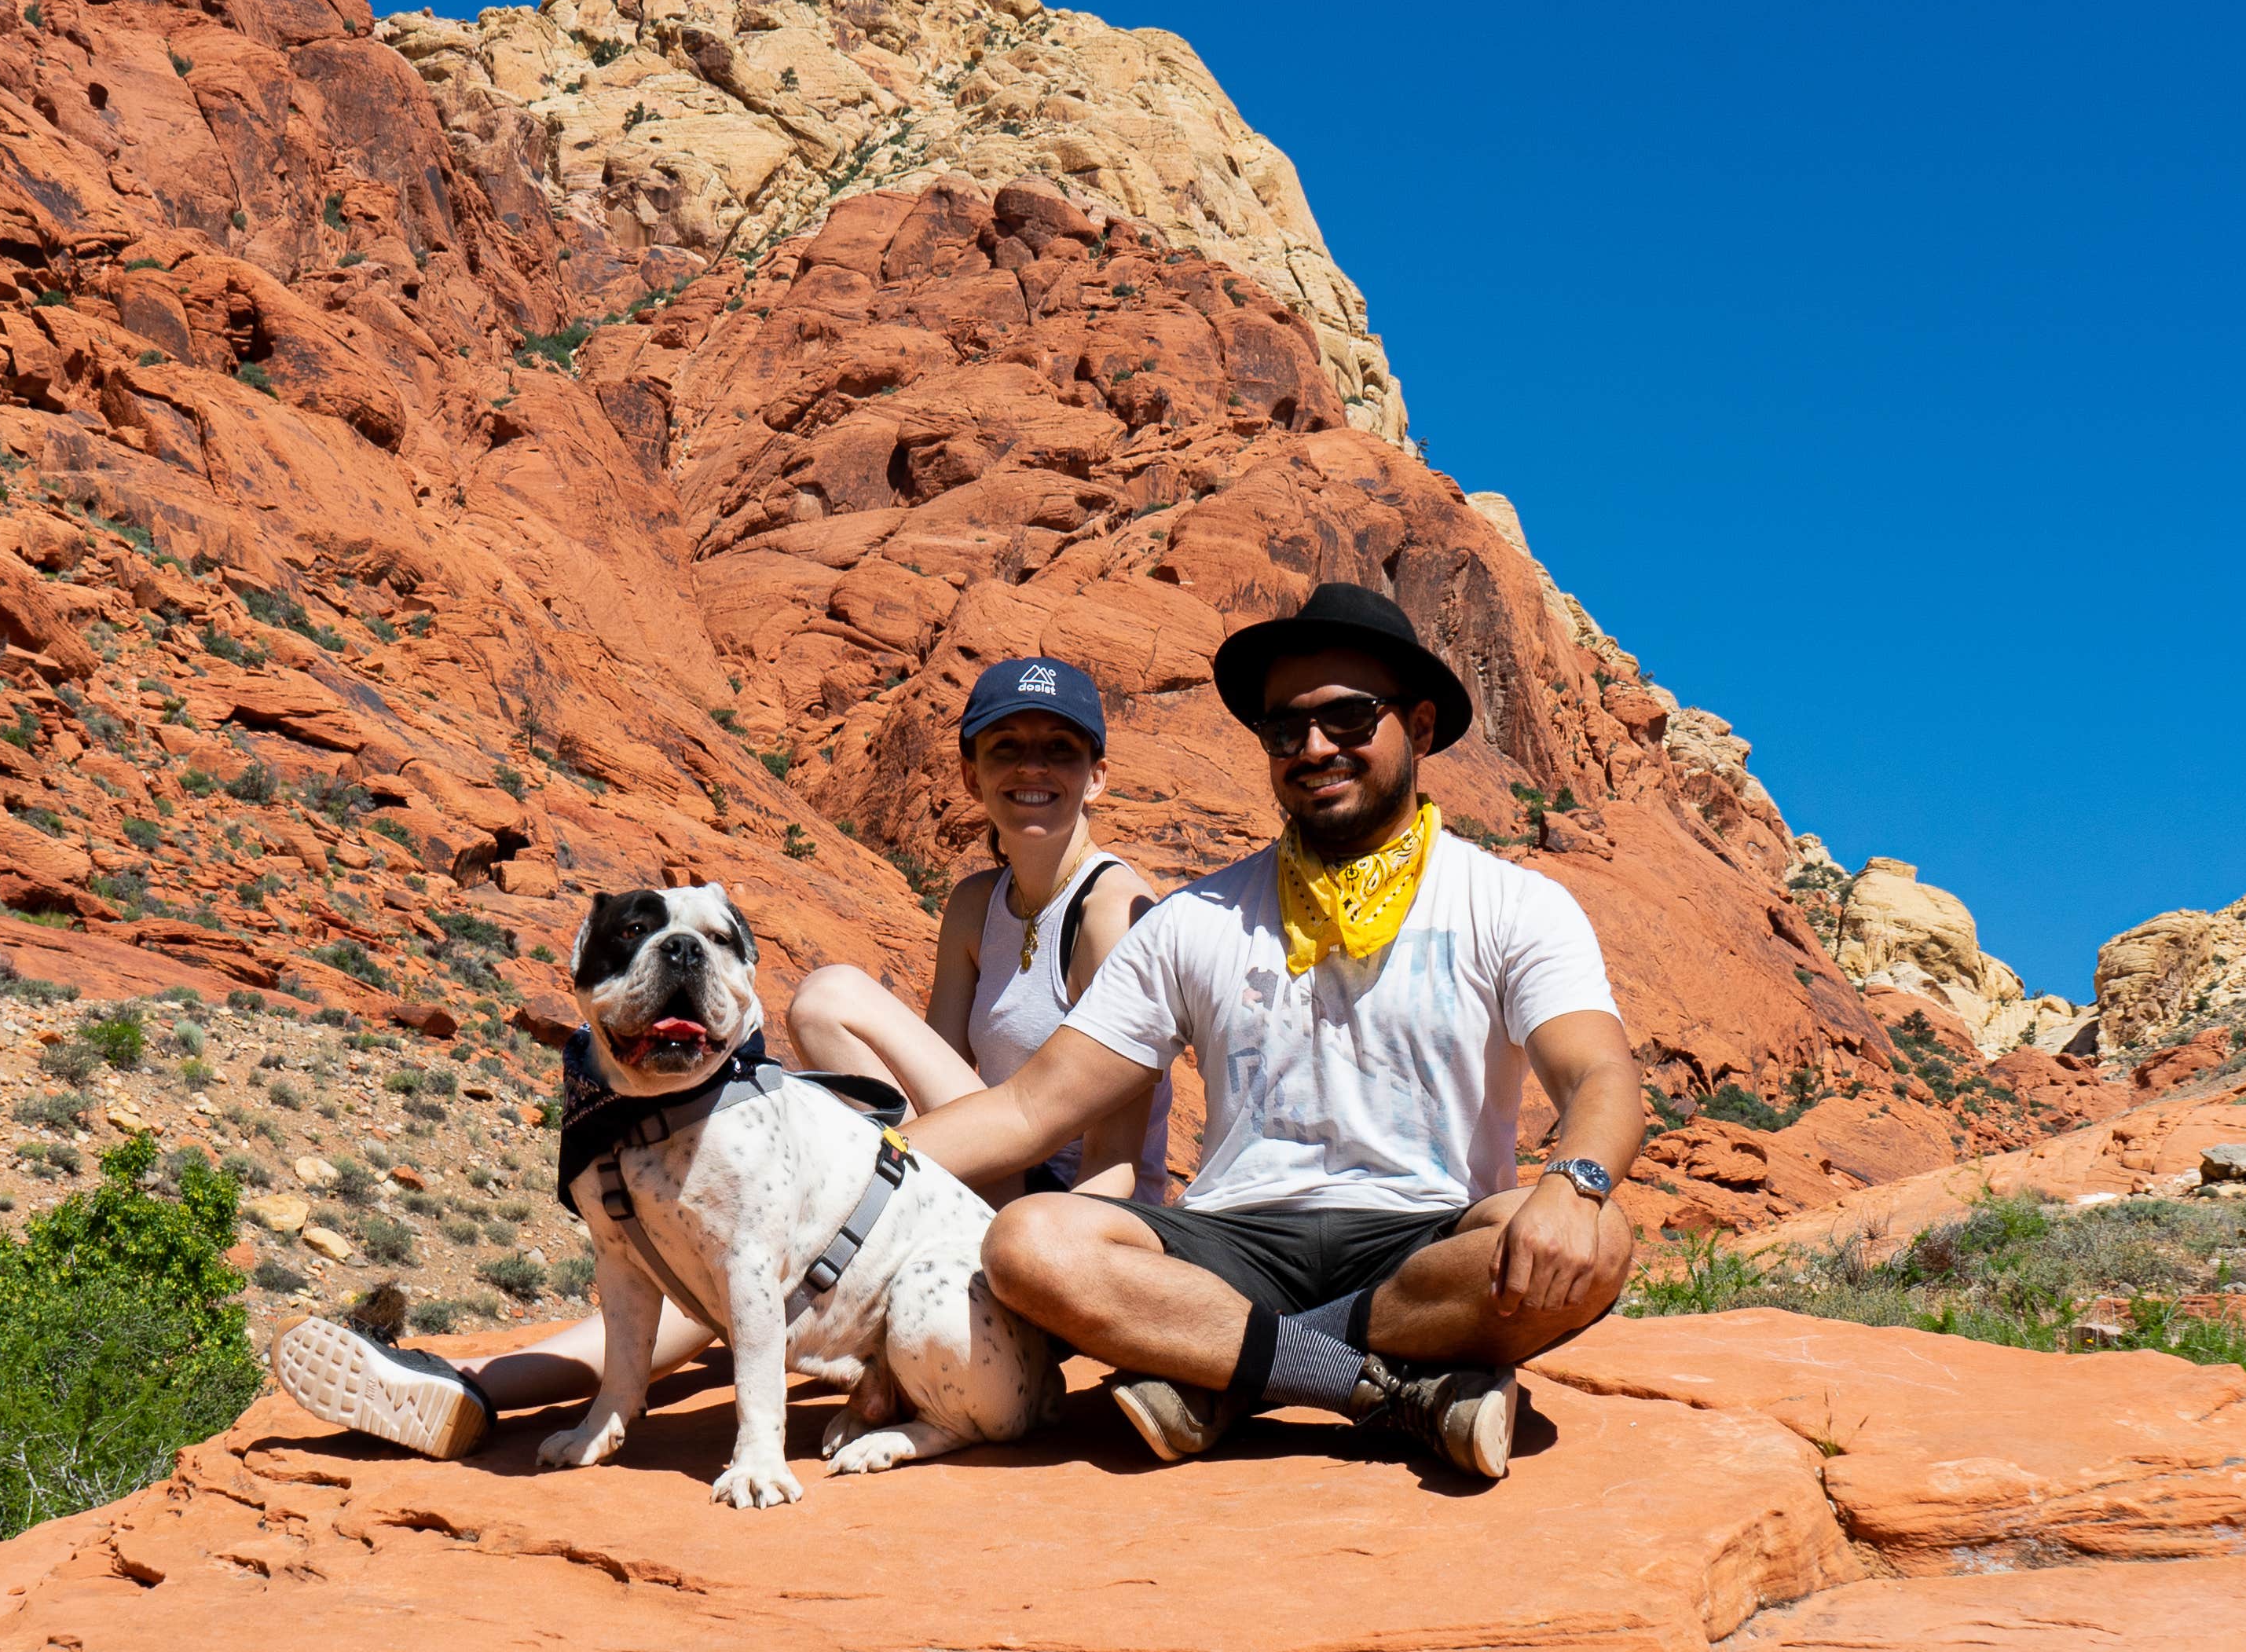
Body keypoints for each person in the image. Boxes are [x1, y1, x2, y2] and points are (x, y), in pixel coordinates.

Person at [267, 654, 1176, 1460]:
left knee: (799, 1083)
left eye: (1059, 750)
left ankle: (482, 1382)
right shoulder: (978, 903)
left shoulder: (1109, 908)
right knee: (723, 1239)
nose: (1031, 767)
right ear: (973, 772)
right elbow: (929, 1080)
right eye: (1006, 746)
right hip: (962, 1166)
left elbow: (1118, 1167)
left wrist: (1029, 1259)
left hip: (1044, 1214)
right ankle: (469, 1384)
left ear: (1097, 776)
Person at [903, 580, 1643, 1483]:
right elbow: (1027, 1109)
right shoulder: (1196, 918)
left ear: (1417, 723)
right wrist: (857, 1167)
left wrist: (1578, 1182)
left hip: (1428, 1241)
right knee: (1030, 1245)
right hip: (1235, 1243)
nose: (1314, 748)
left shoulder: (1513, 903)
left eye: (1348, 718)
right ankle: (1391, 1392)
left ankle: (1230, 1372)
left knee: (1598, 1241)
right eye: (1285, 730)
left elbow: (1599, 1073)